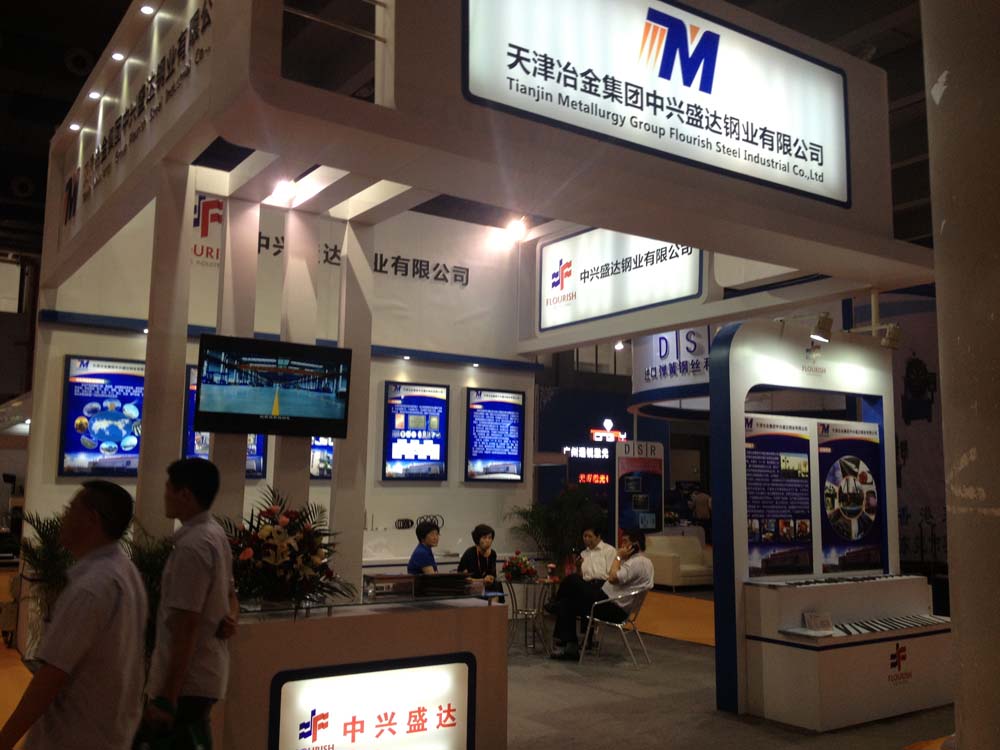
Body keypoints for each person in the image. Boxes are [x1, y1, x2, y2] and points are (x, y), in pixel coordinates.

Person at [0, 481, 147, 750]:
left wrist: (5, 739)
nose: (63, 516)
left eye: (70, 509)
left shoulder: (91, 587)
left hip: (75, 737)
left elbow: (52, 676)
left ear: (91, 519)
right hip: (109, 735)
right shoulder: (126, 572)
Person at [138, 458, 238, 749]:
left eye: (168, 488)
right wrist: (231, 616)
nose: (164, 495)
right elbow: (231, 594)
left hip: (187, 683)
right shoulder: (215, 535)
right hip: (203, 678)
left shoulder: (192, 547)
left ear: (184, 494)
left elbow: (186, 625)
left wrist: (167, 697)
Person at [547, 529, 654, 660]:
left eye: (625, 542)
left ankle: (555, 605)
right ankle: (571, 648)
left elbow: (612, 578)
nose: (622, 545)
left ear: (635, 545)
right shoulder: (642, 562)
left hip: (612, 607)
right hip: (608, 601)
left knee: (572, 580)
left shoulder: (638, 562)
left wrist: (618, 556)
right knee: (567, 602)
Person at [457, 523, 503, 598]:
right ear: (478, 539)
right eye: (484, 538)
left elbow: (493, 575)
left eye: (490, 538)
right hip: (472, 586)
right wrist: (482, 581)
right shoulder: (469, 553)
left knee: (497, 584)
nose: (487, 540)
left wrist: (491, 578)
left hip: (487, 586)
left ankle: (494, 604)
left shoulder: (493, 554)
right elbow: (464, 579)